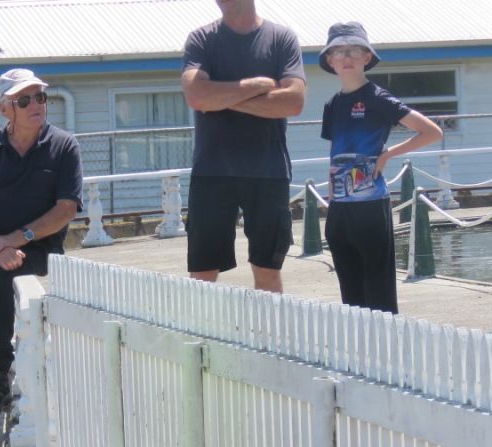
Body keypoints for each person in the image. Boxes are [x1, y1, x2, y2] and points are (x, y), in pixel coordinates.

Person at [0, 68, 83, 418]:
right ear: (5, 109)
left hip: (39, 247)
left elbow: (66, 209)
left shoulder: (63, 146)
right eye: (24, 100)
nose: (36, 105)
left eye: (40, 97)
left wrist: (15, 240)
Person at [181, 0, 306, 293]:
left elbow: (294, 102)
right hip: (212, 171)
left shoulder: (281, 38)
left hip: (268, 170)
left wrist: (222, 99)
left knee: (267, 270)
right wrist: (259, 86)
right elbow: (197, 97)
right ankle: (203, 339)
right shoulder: (201, 39)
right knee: (202, 274)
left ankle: (270, 339)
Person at [319, 22, 442, 314]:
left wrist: (388, 155)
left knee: (379, 291)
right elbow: (336, 152)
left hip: (371, 205)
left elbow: (432, 132)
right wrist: (332, 197)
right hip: (340, 209)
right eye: (339, 51)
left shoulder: (377, 97)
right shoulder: (332, 104)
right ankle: (357, 357)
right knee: (350, 293)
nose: (346, 56)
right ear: (330, 60)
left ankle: (386, 356)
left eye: (354, 50)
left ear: (367, 57)